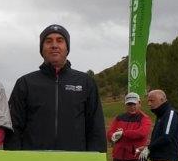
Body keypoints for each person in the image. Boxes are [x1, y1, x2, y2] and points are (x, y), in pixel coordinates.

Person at [6, 24, 106, 152]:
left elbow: (96, 128)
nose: (54, 45)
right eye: (48, 41)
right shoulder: (25, 83)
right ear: (42, 49)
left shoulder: (86, 82)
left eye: (60, 40)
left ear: (67, 48)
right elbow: (14, 128)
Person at [139, 89, 178, 161]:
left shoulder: (170, 113)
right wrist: (147, 148)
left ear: (162, 100)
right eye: (148, 101)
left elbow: (167, 137)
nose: (149, 104)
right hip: (160, 160)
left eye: (152, 101)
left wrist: (149, 148)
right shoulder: (161, 115)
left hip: (167, 160)